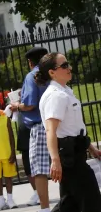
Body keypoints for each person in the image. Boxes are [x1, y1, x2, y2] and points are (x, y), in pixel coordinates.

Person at [37, 53, 101, 212]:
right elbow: (51, 131)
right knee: (91, 201)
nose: (69, 68)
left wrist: (91, 148)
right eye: (64, 66)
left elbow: (73, 127)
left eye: (68, 64)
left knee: (70, 205)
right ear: (52, 72)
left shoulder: (65, 92)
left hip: (75, 152)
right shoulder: (56, 96)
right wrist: (55, 160)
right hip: (69, 157)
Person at [9, 46, 51, 211]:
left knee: (39, 170)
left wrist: (16, 106)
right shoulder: (52, 73)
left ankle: (45, 207)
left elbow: (30, 104)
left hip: (38, 126)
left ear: (30, 61)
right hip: (55, 122)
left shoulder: (32, 75)